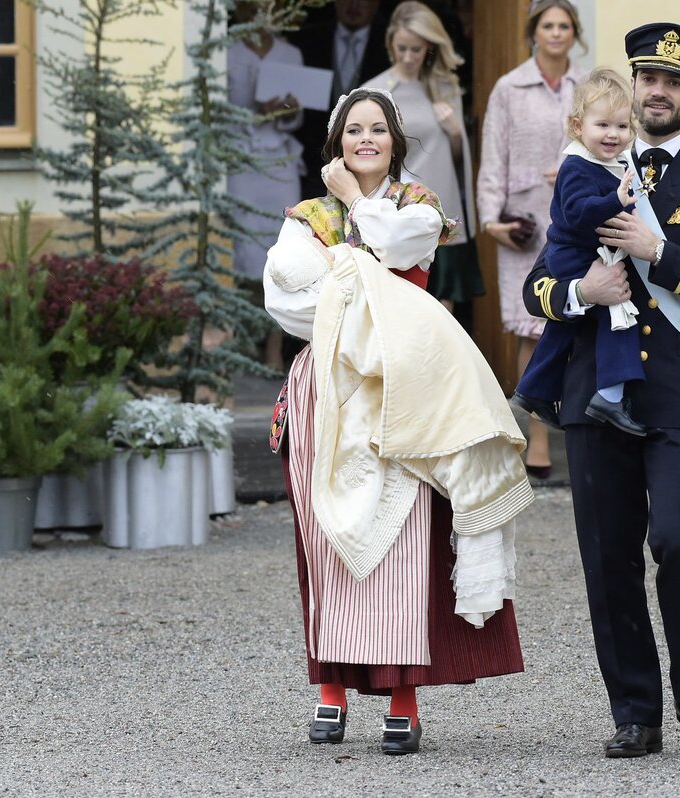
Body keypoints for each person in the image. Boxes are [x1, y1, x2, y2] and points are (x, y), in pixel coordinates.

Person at [264, 87, 531, 756]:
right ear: (335, 143)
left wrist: (350, 237)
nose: (364, 140)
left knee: (402, 544)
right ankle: (330, 693)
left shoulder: (420, 206)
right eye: (352, 130)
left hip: (405, 386)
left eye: (376, 129)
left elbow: (395, 247)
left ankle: (403, 703)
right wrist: (360, 276)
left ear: (395, 141)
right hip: (328, 387)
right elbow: (284, 300)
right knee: (328, 543)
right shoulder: (304, 217)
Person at [522, 23, 680, 758]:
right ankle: (636, 713)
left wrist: (662, 251)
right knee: (608, 555)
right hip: (596, 391)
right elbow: (538, 287)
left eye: (672, 82)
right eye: (646, 78)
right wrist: (581, 292)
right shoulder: (586, 166)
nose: (656, 91)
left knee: (679, 541)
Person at [477, 0, 585, 479]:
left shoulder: (588, 87)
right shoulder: (509, 87)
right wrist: (489, 219)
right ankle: (533, 435)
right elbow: (492, 154)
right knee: (532, 327)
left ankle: (586, 426)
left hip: (579, 220)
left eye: (564, 26)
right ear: (534, 33)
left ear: (574, 33)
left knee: (577, 322)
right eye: (548, 25)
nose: (556, 33)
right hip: (524, 220)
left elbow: (613, 139)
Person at [511, 67, 644, 435]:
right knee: (617, 316)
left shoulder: (610, 163)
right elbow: (577, 213)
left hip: (582, 253)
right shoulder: (576, 165)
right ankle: (610, 396)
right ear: (576, 126)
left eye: (622, 126)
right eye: (603, 125)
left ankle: (532, 391)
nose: (613, 135)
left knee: (561, 329)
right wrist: (614, 200)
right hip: (573, 256)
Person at [364, 1, 484, 316]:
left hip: (441, 209)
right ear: (390, 43)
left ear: (429, 46)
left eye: (416, 49)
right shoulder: (373, 92)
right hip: (397, 212)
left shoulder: (446, 86)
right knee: (398, 307)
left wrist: (456, 133)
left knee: (442, 312)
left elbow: (458, 161)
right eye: (401, 48)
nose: (408, 57)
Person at [226, 1, 304, 366]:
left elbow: (301, 112)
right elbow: (216, 114)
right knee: (244, 251)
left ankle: (273, 350)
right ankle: (242, 342)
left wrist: (288, 110)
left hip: (280, 162)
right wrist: (252, 113)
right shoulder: (225, 51)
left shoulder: (291, 53)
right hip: (240, 162)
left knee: (282, 248)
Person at [291, 0, 391, 199]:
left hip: (370, 168)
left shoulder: (389, 45)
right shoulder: (307, 40)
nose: (353, 5)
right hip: (314, 161)